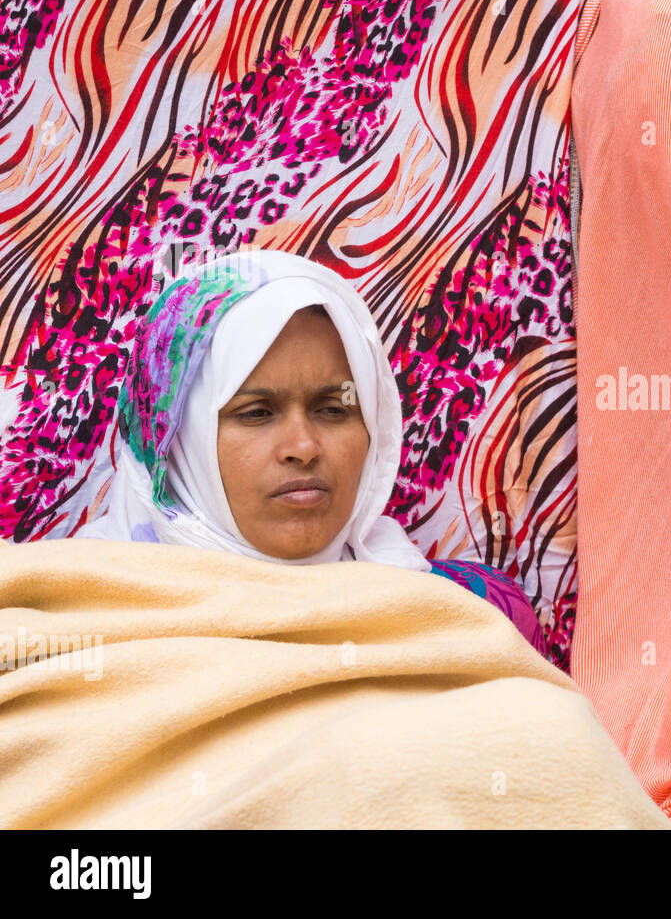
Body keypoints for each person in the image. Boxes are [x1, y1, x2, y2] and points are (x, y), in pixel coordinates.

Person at [76, 248, 547, 657]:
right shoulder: (71, 622)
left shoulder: (476, 620)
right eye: (256, 413)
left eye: (334, 409)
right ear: (174, 441)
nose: (303, 448)